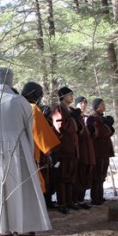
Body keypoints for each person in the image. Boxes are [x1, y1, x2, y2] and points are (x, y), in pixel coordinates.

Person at [0, 68, 51, 236]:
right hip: (19, 150)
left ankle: (3, 230)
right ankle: (24, 231)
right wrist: (31, 153)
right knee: (20, 190)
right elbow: (29, 130)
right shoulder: (20, 101)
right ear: (10, 81)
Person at [21, 82, 61, 199]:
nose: (41, 97)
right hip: (30, 153)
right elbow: (40, 132)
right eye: (40, 94)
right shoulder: (32, 108)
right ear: (34, 94)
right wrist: (51, 152)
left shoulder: (14, 106)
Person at [50, 86, 80, 214]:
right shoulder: (58, 109)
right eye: (69, 95)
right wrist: (73, 120)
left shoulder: (70, 109)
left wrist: (76, 119)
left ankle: (69, 201)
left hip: (72, 149)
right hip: (63, 149)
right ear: (63, 96)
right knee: (63, 177)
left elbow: (78, 128)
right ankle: (62, 202)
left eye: (72, 94)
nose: (72, 97)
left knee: (71, 177)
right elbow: (60, 126)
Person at [86, 98, 115, 206]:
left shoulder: (101, 118)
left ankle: (100, 196)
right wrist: (107, 126)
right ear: (97, 106)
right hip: (97, 151)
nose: (104, 106)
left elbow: (108, 133)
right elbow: (97, 133)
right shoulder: (92, 118)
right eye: (102, 104)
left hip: (104, 151)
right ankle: (95, 197)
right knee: (97, 175)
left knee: (102, 175)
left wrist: (109, 126)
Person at [73, 96, 95, 209]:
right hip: (79, 152)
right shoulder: (74, 117)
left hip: (88, 152)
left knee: (86, 176)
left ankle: (81, 199)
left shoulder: (87, 118)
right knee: (79, 176)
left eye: (85, 103)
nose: (83, 105)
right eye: (81, 103)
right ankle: (75, 199)